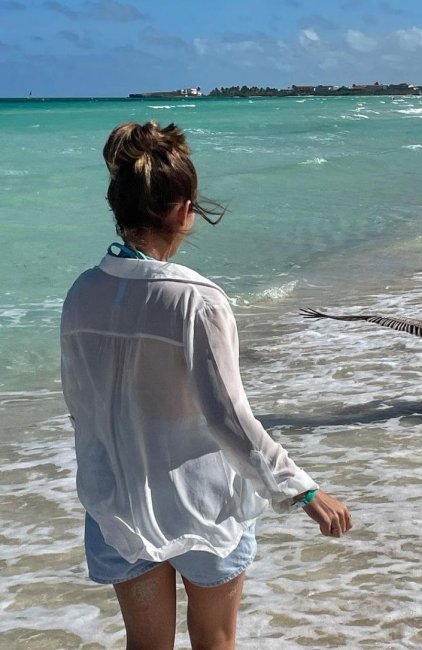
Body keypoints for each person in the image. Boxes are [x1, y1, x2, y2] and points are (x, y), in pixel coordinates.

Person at [60, 121, 353, 650]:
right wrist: (301, 490)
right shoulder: (197, 299)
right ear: (184, 210)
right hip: (203, 507)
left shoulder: (82, 292)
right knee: (215, 641)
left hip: (117, 504)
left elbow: (81, 405)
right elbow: (228, 418)